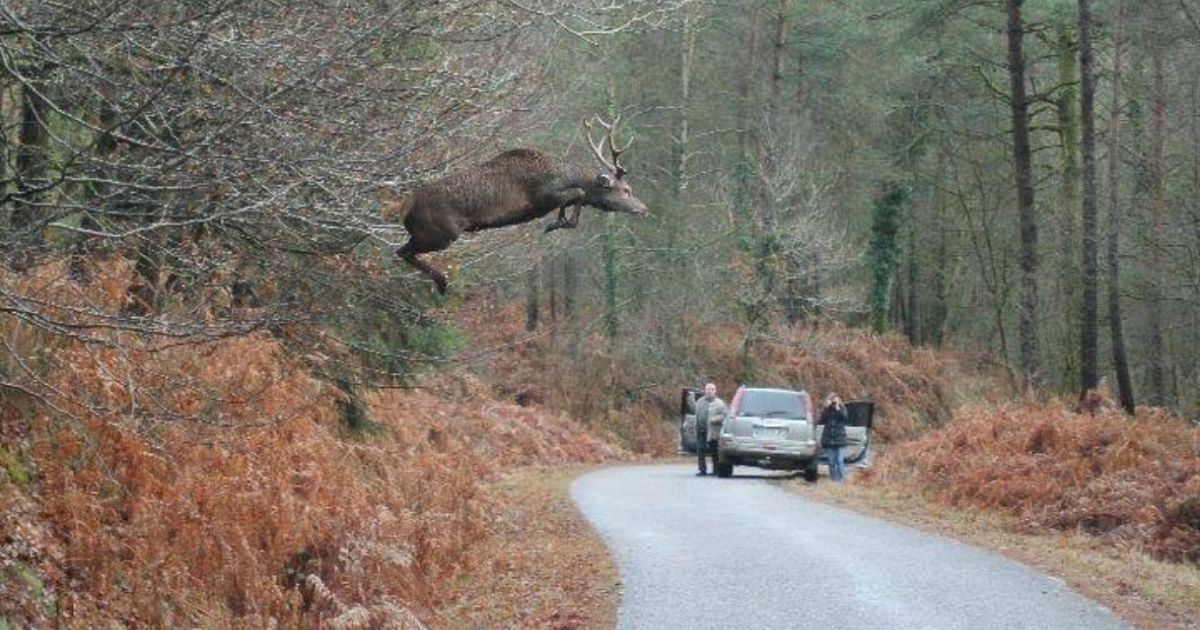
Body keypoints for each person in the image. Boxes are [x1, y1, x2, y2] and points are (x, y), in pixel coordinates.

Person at [694, 382, 727, 476]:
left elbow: (725, 416)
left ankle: (716, 470)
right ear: (705, 390)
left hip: (713, 431)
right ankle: (702, 470)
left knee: (714, 451)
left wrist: (715, 419)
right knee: (700, 451)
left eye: (712, 389)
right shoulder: (699, 402)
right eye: (708, 389)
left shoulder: (719, 403)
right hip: (701, 430)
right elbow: (696, 414)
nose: (710, 391)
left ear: (715, 391)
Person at [818, 393, 849, 482]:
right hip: (829, 439)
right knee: (831, 461)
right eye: (833, 401)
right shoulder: (827, 410)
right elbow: (821, 420)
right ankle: (834, 479)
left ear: (839, 400)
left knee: (839, 460)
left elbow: (845, 418)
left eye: (836, 400)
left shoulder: (842, 408)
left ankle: (841, 479)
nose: (834, 403)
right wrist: (826, 408)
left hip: (839, 439)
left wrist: (838, 408)